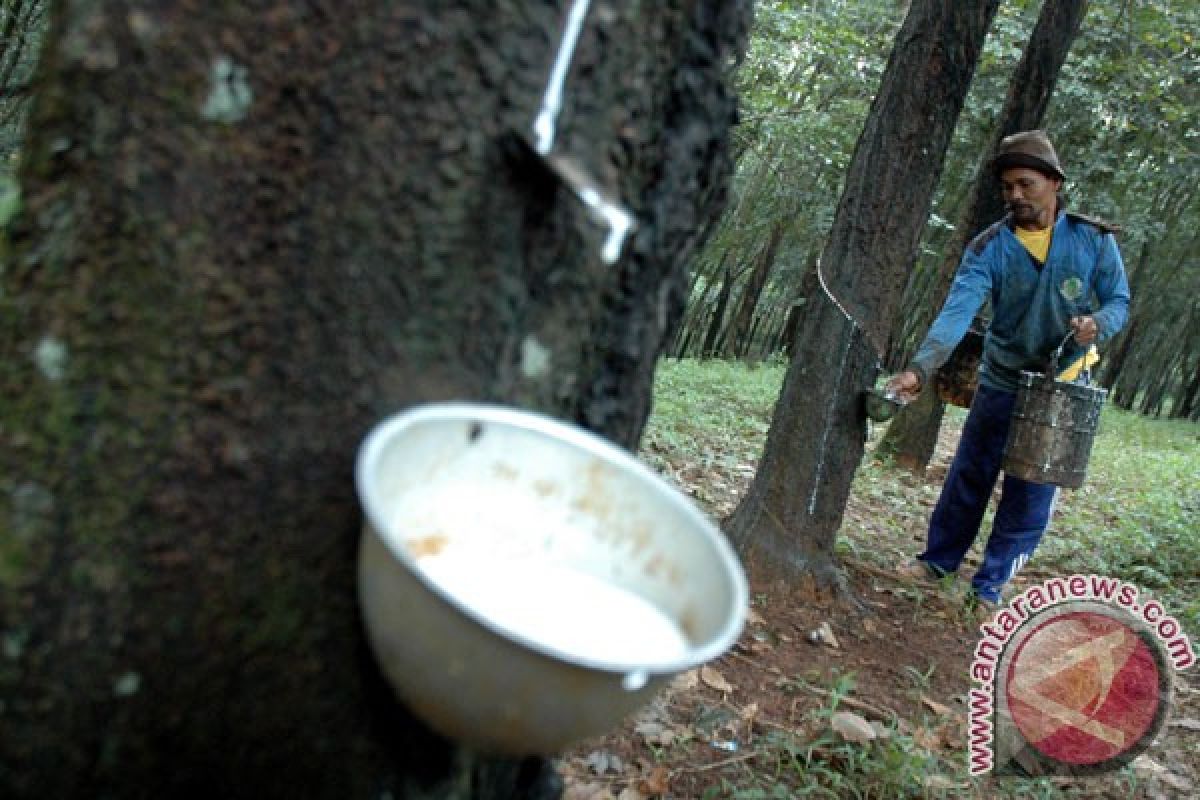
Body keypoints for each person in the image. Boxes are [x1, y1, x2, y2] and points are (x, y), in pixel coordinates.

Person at [887, 129, 1131, 611]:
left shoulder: (1092, 240)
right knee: (970, 473)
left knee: (1031, 487)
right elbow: (957, 312)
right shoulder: (989, 247)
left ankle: (990, 586)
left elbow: (1120, 302)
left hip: (1061, 387)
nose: (1016, 195)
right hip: (1002, 377)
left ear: (1054, 182)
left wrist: (1097, 324)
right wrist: (922, 367)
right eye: (1007, 188)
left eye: (1026, 184)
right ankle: (938, 561)